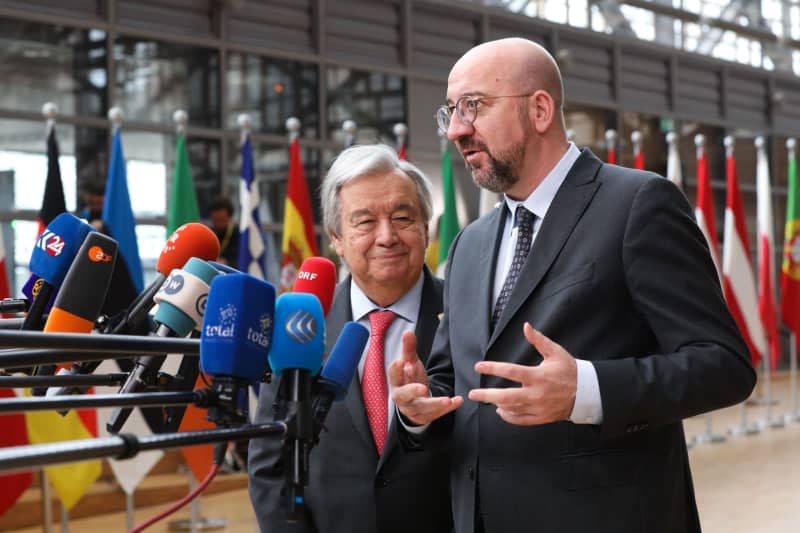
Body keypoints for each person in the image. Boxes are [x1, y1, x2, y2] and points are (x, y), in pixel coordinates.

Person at [390, 38, 756, 533]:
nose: (457, 129)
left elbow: (724, 365)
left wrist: (588, 389)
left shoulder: (638, 204)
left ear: (540, 109)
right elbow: (454, 384)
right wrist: (418, 406)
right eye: (450, 112)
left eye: (473, 106)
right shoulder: (469, 244)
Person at [248, 144, 452, 533]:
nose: (387, 236)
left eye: (403, 217)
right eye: (364, 222)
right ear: (336, 239)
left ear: (426, 228)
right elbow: (269, 464)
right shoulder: (300, 326)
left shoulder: (469, 313)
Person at [207, 196, 240, 269]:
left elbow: (240, 260)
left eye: (221, 221)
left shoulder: (239, 235)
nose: (218, 224)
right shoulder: (208, 234)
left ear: (230, 218)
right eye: (215, 220)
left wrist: (226, 262)